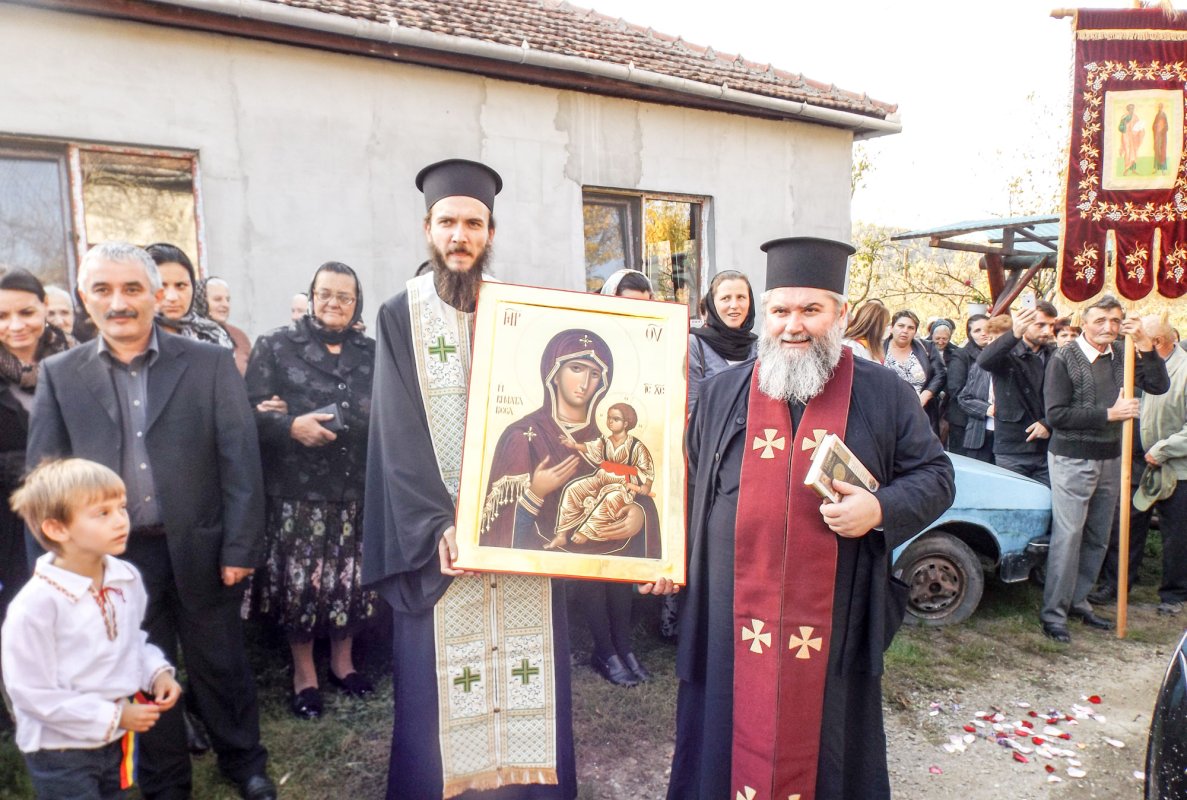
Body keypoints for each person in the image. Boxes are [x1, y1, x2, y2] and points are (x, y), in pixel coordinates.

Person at [662, 236, 955, 800]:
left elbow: (937, 477)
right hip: (729, 613)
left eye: (811, 310)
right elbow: (688, 486)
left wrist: (879, 509)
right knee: (722, 744)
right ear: (764, 315)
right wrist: (663, 555)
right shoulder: (723, 393)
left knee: (826, 750)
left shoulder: (884, 393)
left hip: (833, 618)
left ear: (840, 315)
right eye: (780, 311)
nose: (793, 325)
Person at [26, 242, 276, 800]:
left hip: (202, 549)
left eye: (132, 289)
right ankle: (166, 781)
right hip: (114, 561)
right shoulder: (61, 376)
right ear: (86, 300)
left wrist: (240, 546)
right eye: (103, 290)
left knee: (220, 664)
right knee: (141, 673)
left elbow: (240, 460)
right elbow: (45, 480)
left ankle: (244, 763)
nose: (119, 302)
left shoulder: (207, 364)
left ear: (156, 295)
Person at [361, 159, 578, 798]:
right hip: (443, 544)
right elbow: (395, 432)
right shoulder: (401, 312)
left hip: (521, 537)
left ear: (489, 232)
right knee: (441, 697)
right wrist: (436, 526)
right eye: (448, 221)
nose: (461, 234)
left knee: (527, 671)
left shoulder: (520, 312)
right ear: (428, 227)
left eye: (474, 223)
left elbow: (552, 416)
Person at [4, 459, 183, 800]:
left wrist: (156, 673)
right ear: (57, 529)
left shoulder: (125, 578)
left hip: (113, 737)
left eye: (122, 507)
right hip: (59, 749)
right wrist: (115, 715)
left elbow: (131, 641)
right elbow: (31, 693)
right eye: (102, 513)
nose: (121, 520)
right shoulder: (36, 606)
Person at [245, 261, 378, 719]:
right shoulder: (277, 346)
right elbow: (249, 414)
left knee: (351, 581)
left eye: (345, 296)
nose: (334, 303)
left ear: (357, 302)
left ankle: (344, 664)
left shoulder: (373, 352)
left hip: (356, 486)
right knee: (300, 585)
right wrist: (288, 425)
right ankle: (305, 674)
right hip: (298, 490)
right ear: (311, 295)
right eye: (325, 294)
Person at [1041, 294, 1169, 643]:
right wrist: (1110, 414)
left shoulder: (1124, 355)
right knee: (1069, 536)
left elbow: (1159, 385)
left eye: (1115, 321)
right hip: (1071, 457)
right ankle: (1053, 613)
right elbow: (1056, 415)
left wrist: (1144, 344)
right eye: (1100, 320)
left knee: (1099, 534)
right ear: (1084, 322)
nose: (1108, 328)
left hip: (1113, 456)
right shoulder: (1063, 358)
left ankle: (1079, 601)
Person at [1093, 315, 1187, 613]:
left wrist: (1163, 449)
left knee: (1177, 534)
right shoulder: (1130, 363)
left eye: (1138, 340)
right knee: (1126, 525)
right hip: (1133, 459)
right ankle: (1116, 583)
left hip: (1176, 464)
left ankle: (1174, 594)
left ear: (1157, 342)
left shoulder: (1184, 369)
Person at [0, 270, 72, 625]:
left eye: (26, 312)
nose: (15, 325)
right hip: (8, 517)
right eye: (2, 315)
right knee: (19, 614)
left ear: (45, 307)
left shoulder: (81, 358)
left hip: (74, 509)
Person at [976, 301, 1057, 485]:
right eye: (1040, 325)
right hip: (1012, 447)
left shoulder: (1056, 354)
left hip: (1047, 446)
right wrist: (1014, 334)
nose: (1047, 331)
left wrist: (1047, 424)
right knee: (1013, 505)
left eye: (1051, 325)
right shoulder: (1007, 351)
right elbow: (984, 361)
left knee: (1045, 506)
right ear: (1025, 323)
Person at [688, 270, 757, 408]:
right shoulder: (694, 345)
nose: (734, 305)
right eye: (725, 298)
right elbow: (690, 410)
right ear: (712, 304)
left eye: (741, 297)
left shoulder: (760, 347)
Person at [145, 243, 234, 350]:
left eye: (181, 286)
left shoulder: (213, 335)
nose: (172, 297)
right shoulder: (129, 340)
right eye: (161, 286)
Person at [884, 309, 946, 433]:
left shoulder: (927, 348)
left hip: (920, 413)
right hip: (887, 413)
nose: (905, 331)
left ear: (915, 332)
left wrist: (926, 395)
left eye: (910, 328)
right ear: (892, 328)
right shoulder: (878, 348)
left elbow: (940, 374)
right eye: (901, 326)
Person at [945, 314, 989, 456]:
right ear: (969, 335)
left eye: (987, 328)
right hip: (965, 423)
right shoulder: (961, 355)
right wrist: (984, 408)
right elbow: (956, 390)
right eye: (977, 330)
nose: (984, 333)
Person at [203, 277, 252, 375]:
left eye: (228, 300)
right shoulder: (187, 334)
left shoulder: (238, 336)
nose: (225, 305)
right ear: (201, 301)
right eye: (217, 299)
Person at [1120, 103, 1144, 175]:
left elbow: (1139, 127)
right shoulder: (1124, 117)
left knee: (1134, 152)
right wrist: (1124, 123)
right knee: (1127, 152)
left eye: (1132, 108)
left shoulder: (1136, 117)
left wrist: (1140, 131)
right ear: (1128, 109)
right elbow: (1120, 128)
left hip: (1134, 137)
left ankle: (1133, 170)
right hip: (1126, 136)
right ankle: (1126, 169)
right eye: (1130, 108)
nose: (1131, 110)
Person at [1154, 102, 1169, 174]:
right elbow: (1153, 125)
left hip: (1162, 137)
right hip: (1157, 136)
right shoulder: (1157, 115)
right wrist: (1156, 126)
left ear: (1162, 107)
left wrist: (1162, 129)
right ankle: (1156, 169)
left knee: (1162, 152)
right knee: (1157, 151)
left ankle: (1163, 171)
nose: (1160, 108)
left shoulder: (1164, 115)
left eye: (1161, 107)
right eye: (1159, 107)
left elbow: (1166, 126)